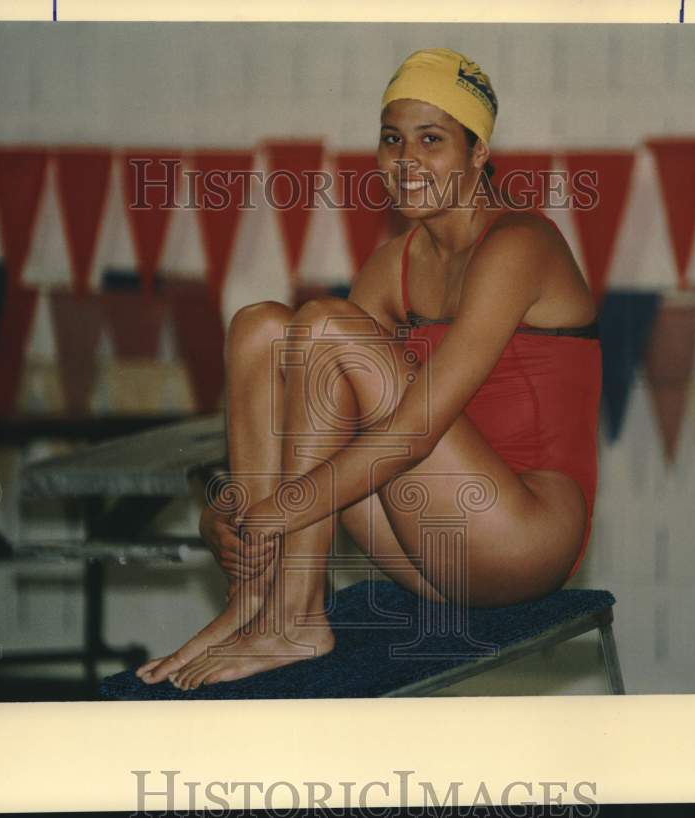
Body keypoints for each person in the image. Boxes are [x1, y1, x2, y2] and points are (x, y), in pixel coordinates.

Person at [136, 47, 602, 691]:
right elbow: (317, 412)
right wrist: (234, 511)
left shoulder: (521, 245)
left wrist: (273, 512)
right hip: (431, 543)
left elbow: (411, 432)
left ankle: (296, 617)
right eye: (392, 141)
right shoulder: (396, 263)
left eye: (431, 140)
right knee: (262, 329)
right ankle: (255, 601)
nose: (406, 162)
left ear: (478, 153)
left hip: (522, 540)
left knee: (325, 325)